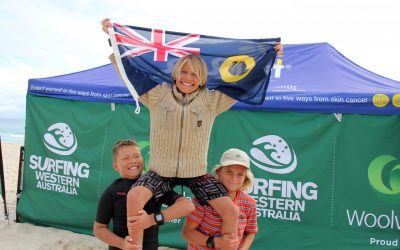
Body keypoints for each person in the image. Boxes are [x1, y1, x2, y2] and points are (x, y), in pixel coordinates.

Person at [101, 18, 281, 249]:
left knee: (231, 211)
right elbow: (130, 71)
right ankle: (134, 247)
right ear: (176, 74)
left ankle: (225, 246)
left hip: (195, 172)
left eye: (195, 74)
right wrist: (113, 39)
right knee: (135, 197)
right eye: (184, 72)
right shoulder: (157, 95)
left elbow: (244, 84)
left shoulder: (212, 101)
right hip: (160, 170)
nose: (188, 78)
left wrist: (270, 58)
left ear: (202, 79)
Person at [93, 139, 194, 250]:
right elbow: (99, 228)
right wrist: (122, 244)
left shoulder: (154, 186)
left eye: (137, 156)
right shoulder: (113, 190)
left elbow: (187, 206)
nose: (133, 161)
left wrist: (151, 219)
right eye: (126, 158)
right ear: (115, 166)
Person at [182, 148, 258, 250]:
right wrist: (216, 242)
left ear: (245, 178)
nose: (234, 178)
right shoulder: (202, 200)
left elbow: (250, 233)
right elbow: (187, 234)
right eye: (228, 171)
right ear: (219, 172)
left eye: (240, 174)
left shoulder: (249, 203)